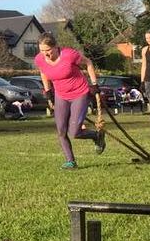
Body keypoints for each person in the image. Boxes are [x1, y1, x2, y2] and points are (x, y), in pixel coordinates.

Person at [34, 32, 106, 169]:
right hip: (61, 95)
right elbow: (43, 72)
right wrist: (48, 92)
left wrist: (94, 84)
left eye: (48, 50)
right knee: (61, 131)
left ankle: (96, 136)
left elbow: (88, 62)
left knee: (74, 132)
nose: (45, 54)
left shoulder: (69, 55)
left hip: (80, 93)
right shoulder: (39, 59)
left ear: (55, 46)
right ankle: (70, 161)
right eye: (42, 50)